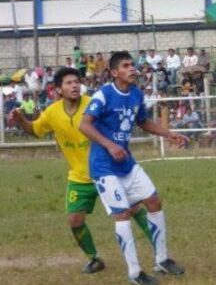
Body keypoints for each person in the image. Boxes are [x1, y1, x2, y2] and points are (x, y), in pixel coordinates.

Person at [6, 67, 155, 275]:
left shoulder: (94, 104)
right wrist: (20, 119)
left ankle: (160, 255)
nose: (75, 85)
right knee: (74, 220)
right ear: (58, 90)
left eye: (77, 81)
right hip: (79, 177)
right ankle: (94, 259)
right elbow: (35, 130)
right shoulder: (52, 112)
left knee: (133, 209)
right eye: (68, 83)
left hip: (106, 171)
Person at [78, 52, 188, 284]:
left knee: (154, 201)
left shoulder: (137, 94)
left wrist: (169, 134)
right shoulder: (104, 94)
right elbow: (84, 125)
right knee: (122, 214)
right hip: (103, 166)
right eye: (126, 66)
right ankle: (135, 273)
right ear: (114, 72)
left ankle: (162, 259)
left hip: (126, 163)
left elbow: (143, 121)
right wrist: (109, 145)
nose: (132, 69)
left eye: (133, 65)